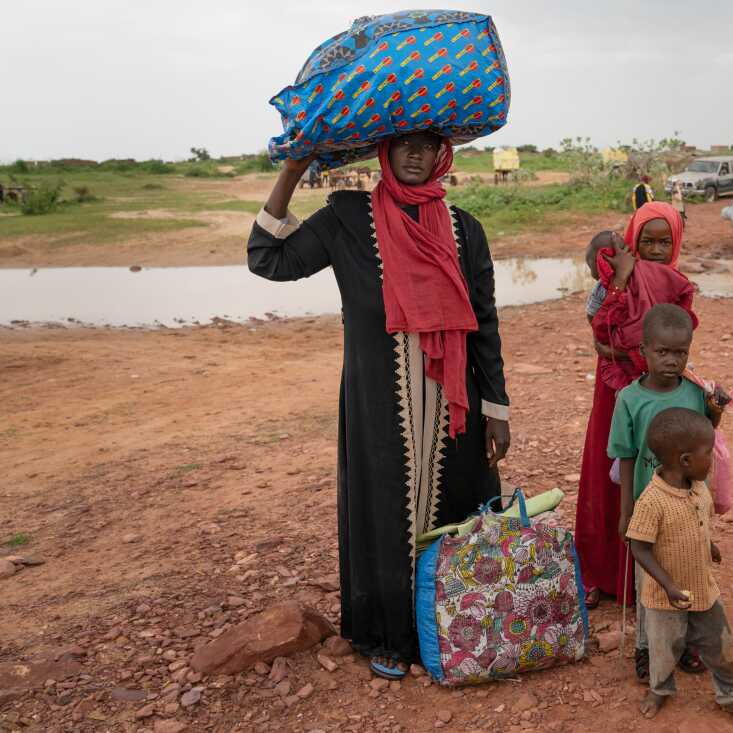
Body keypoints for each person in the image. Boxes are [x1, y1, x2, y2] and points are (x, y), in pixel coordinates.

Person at [247, 131, 511, 680]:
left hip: (454, 402)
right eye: (402, 145)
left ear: (442, 156)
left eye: (427, 146)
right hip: (379, 403)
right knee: (383, 512)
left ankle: (457, 627)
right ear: (382, 153)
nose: (414, 155)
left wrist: (497, 409)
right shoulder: (348, 219)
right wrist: (293, 172)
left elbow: (484, 323)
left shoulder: (465, 231)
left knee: (457, 512)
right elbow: (268, 260)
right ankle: (386, 634)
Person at [576, 202, 690, 614]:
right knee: (610, 475)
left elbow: (680, 336)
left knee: (653, 476)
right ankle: (601, 572)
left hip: (659, 390)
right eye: (648, 240)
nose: (657, 250)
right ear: (633, 240)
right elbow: (599, 329)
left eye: (665, 241)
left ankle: (649, 575)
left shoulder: (677, 283)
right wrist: (622, 281)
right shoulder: (615, 278)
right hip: (617, 391)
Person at [609, 304, 726, 685]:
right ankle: (646, 648)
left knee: (692, 570)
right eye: (663, 352)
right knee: (651, 585)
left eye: (681, 353)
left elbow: (708, 435)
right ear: (643, 350)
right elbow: (626, 457)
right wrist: (626, 510)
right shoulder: (629, 399)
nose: (672, 361)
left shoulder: (695, 392)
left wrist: (715, 409)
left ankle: (687, 645)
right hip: (650, 507)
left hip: (691, 503)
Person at [627, 407, 733, 722]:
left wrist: (709, 545)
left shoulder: (698, 488)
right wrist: (669, 585)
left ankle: (730, 695)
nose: (713, 461)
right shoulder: (652, 501)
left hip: (703, 589)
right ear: (686, 460)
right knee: (664, 650)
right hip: (665, 598)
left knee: (720, 645)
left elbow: (697, 524)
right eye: (708, 455)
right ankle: (660, 690)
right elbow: (640, 548)